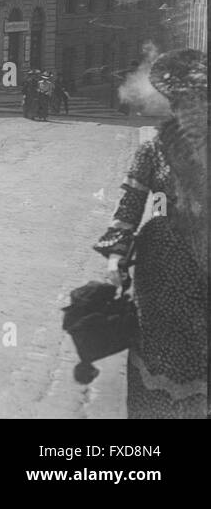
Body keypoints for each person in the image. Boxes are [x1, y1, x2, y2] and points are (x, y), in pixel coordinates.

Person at [93, 49, 207, 418]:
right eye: (184, 103)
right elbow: (128, 208)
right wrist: (115, 257)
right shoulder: (153, 151)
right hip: (161, 270)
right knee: (159, 355)